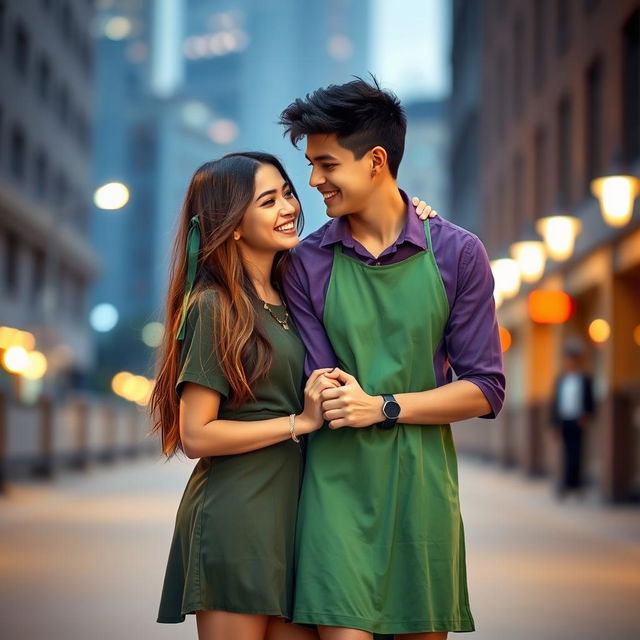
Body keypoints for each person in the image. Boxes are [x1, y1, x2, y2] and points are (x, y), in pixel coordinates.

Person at [150, 151, 435, 640]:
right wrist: (298, 423)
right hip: (238, 517)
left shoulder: (294, 283)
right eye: (267, 200)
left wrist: (411, 215)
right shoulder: (215, 306)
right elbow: (196, 433)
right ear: (232, 224)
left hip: (301, 518)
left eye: (286, 193)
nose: (288, 206)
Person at [279, 78, 506, 639]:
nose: (313, 181)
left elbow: (486, 387)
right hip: (336, 487)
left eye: (326, 164)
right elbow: (324, 382)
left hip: (422, 489)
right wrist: (344, 400)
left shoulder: (458, 253)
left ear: (376, 160)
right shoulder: (305, 262)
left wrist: (383, 405)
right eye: (310, 164)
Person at [550, 340, 594, 499]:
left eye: (572, 359)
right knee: (566, 453)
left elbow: (590, 401)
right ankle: (568, 484)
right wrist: (554, 424)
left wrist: (587, 415)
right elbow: (555, 402)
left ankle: (574, 484)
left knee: (577, 453)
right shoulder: (561, 380)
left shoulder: (585, 379)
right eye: (567, 359)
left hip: (578, 420)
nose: (569, 362)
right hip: (564, 420)